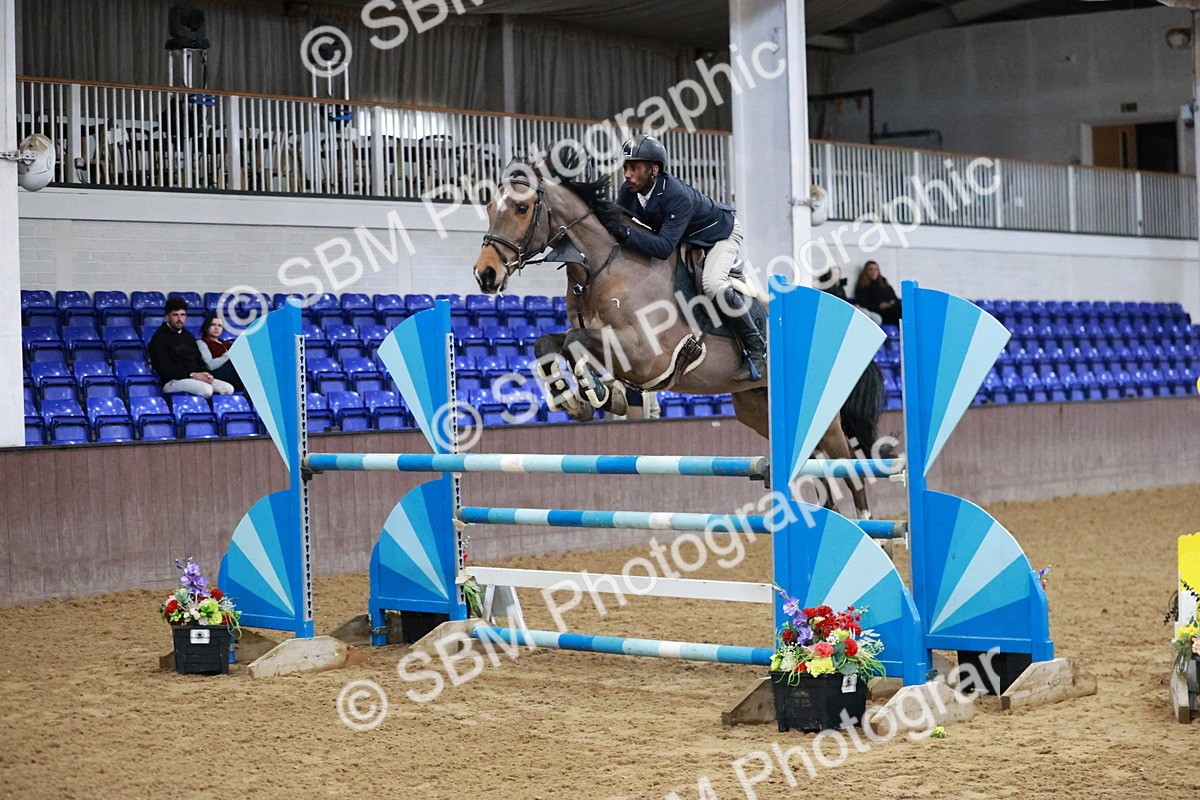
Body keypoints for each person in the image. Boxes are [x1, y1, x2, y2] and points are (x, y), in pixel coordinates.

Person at [603, 134, 764, 381]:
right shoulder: (629, 191)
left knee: (713, 284)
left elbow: (663, 247)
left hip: (720, 235)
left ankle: (756, 348)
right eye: (625, 167)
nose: (627, 174)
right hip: (688, 238)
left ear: (654, 169)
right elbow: (615, 221)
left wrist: (624, 233)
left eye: (634, 167)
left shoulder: (676, 195)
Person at [148, 297, 234, 398]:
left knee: (228, 388)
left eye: (183, 315)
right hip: (172, 381)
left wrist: (206, 374)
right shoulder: (159, 338)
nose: (180, 319)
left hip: (194, 378)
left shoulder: (188, 336)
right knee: (206, 389)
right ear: (167, 317)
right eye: (175, 315)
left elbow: (198, 360)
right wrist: (192, 375)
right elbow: (166, 370)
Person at [197, 313, 245, 393]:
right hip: (215, 375)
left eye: (219, 326)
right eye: (213, 325)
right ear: (206, 327)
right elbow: (210, 365)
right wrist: (227, 355)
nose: (216, 328)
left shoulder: (226, 344)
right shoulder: (202, 343)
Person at [854, 261, 902, 325]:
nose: (873, 272)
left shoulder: (884, 283)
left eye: (875, 269)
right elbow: (863, 303)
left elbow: (894, 297)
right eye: (870, 269)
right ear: (866, 271)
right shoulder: (862, 286)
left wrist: (890, 303)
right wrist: (879, 306)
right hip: (878, 312)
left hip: (891, 308)